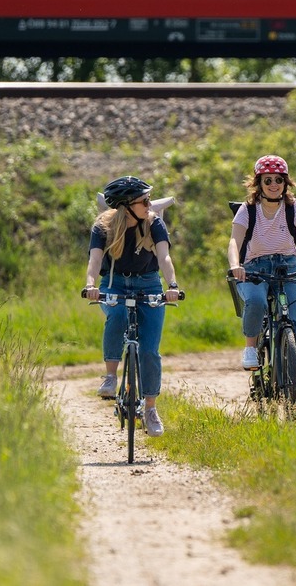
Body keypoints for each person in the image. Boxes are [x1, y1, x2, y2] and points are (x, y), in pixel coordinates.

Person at [227, 155, 296, 420]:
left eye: (278, 180)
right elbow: (234, 240)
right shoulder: (248, 209)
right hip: (254, 268)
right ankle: (251, 347)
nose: (274, 185)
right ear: (258, 183)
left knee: (293, 331)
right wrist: (236, 264)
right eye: (268, 180)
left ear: (286, 182)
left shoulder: (293, 207)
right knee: (257, 302)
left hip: (288, 266)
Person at [81, 175, 181, 438]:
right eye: (144, 201)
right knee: (116, 317)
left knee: (150, 351)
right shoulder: (103, 227)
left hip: (149, 285)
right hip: (114, 285)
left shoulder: (154, 223)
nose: (150, 204)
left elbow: (164, 256)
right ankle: (111, 377)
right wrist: (91, 284)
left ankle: (150, 409)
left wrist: (172, 285)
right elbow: (94, 260)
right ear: (126, 206)